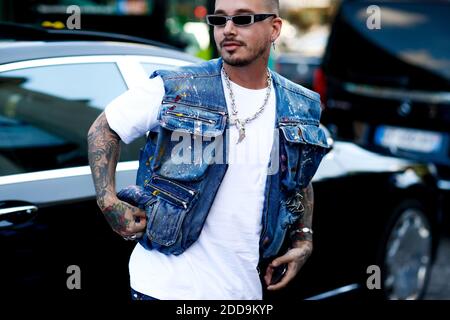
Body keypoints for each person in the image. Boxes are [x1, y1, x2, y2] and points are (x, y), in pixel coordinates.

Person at [87, 0, 329, 300]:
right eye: (220, 19)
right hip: (162, 289)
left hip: (243, 292)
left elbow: (299, 178)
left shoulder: (298, 106)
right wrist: (108, 201)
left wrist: (303, 238)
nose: (227, 30)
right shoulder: (178, 87)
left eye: (243, 20)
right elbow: (103, 128)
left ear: (274, 28)